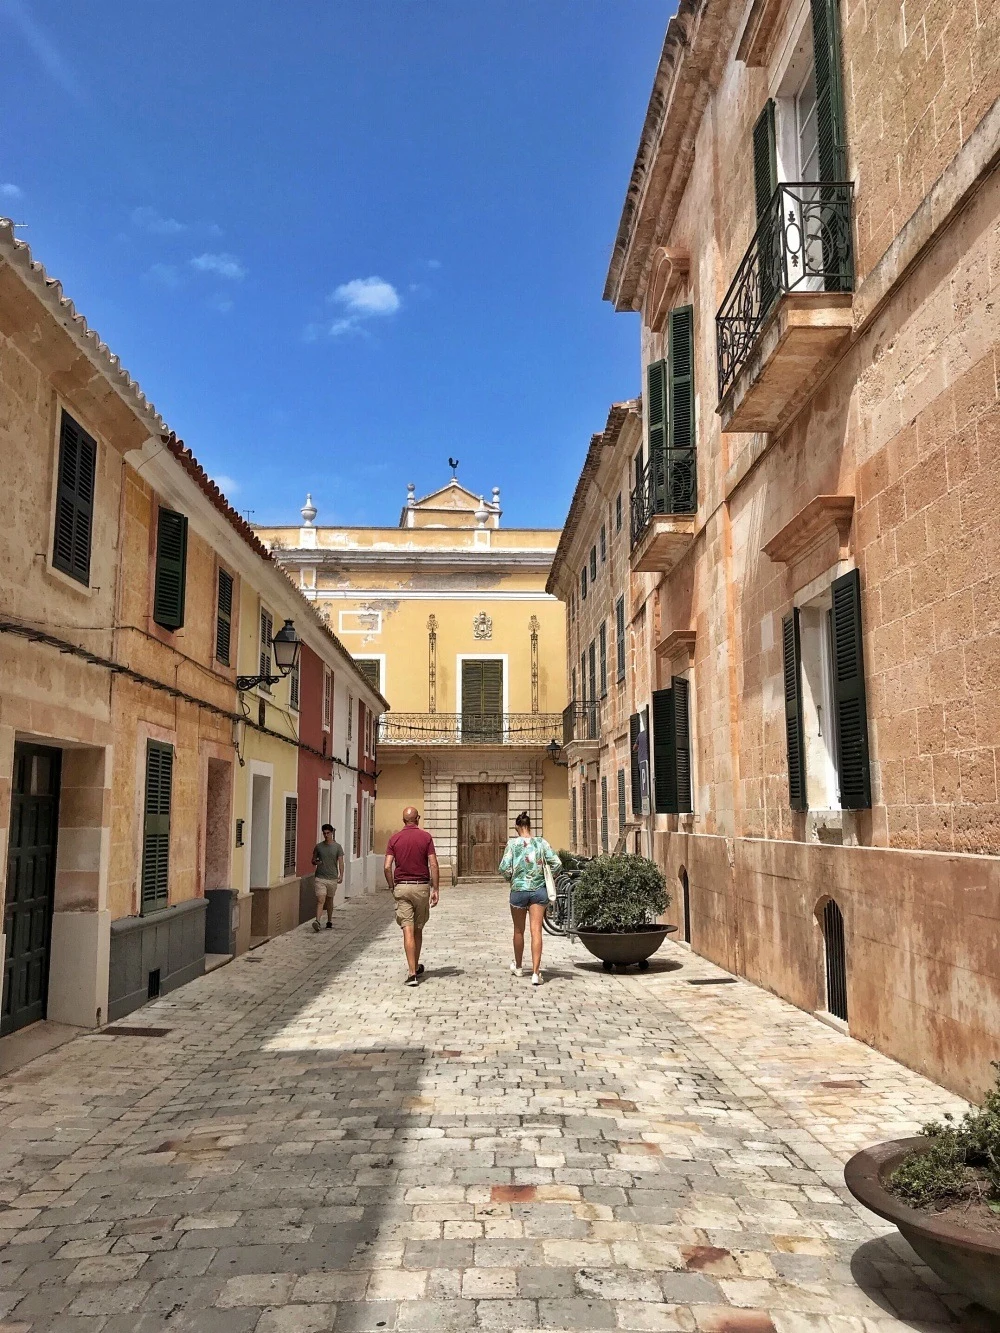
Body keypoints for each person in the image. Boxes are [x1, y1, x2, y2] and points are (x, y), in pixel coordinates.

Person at [499, 811, 561, 986]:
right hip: (538, 890)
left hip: (518, 891)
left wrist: (512, 877)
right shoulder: (541, 843)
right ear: (530, 826)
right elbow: (557, 863)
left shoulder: (512, 844)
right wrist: (549, 875)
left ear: (517, 827)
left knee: (518, 930)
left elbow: (503, 867)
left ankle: (518, 967)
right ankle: (535, 972)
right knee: (536, 931)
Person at [384, 807, 439, 986]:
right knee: (418, 929)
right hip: (421, 886)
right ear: (418, 818)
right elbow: (433, 863)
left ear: (403, 820)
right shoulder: (426, 837)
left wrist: (392, 885)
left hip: (401, 887)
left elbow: (387, 866)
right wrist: (435, 889)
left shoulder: (394, 839)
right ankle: (415, 963)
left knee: (407, 929)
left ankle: (412, 972)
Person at [311, 824, 344, 932]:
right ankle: (317, 921)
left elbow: (341, 862)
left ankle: (329, 920)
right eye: (324, 833)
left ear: (331, 833)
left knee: (329, 900)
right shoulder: (318, 847)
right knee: (321, 899)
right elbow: (313, 860)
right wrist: (316, 862)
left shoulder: (337, 847)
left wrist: (341, 875)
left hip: (332, 878)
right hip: (320, 877)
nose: (326, 835)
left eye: (328, 833)